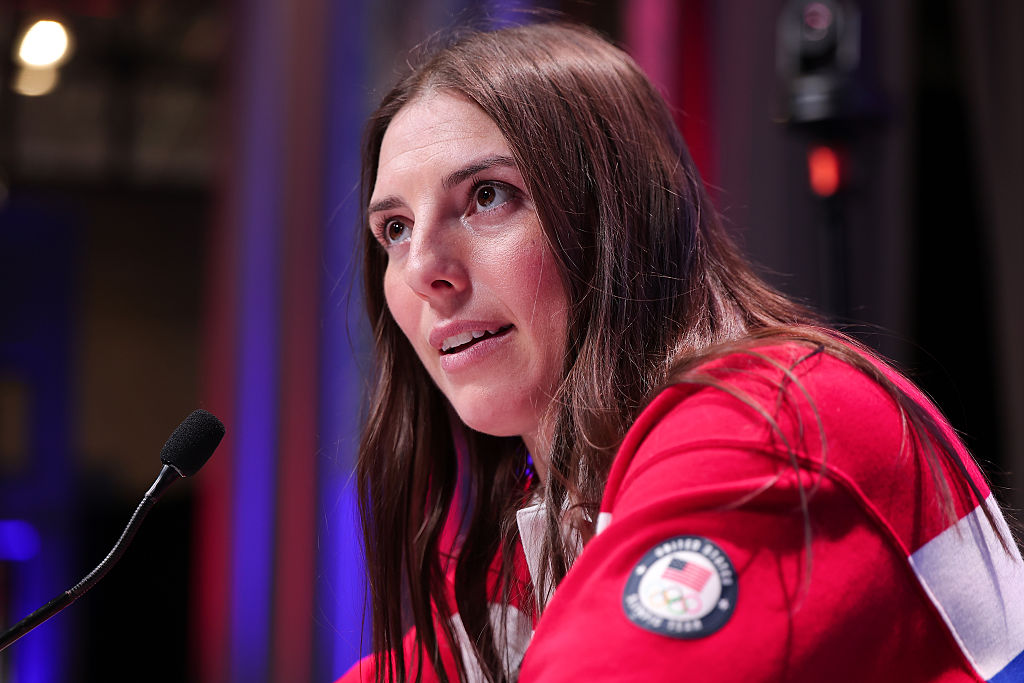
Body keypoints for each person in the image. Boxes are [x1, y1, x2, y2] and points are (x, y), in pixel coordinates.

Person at [340, 21, 1024, 683]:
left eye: (488, 196)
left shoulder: (764, 421)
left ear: (618, 216)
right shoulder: (559, 514)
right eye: (394, 228)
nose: (424, 266)